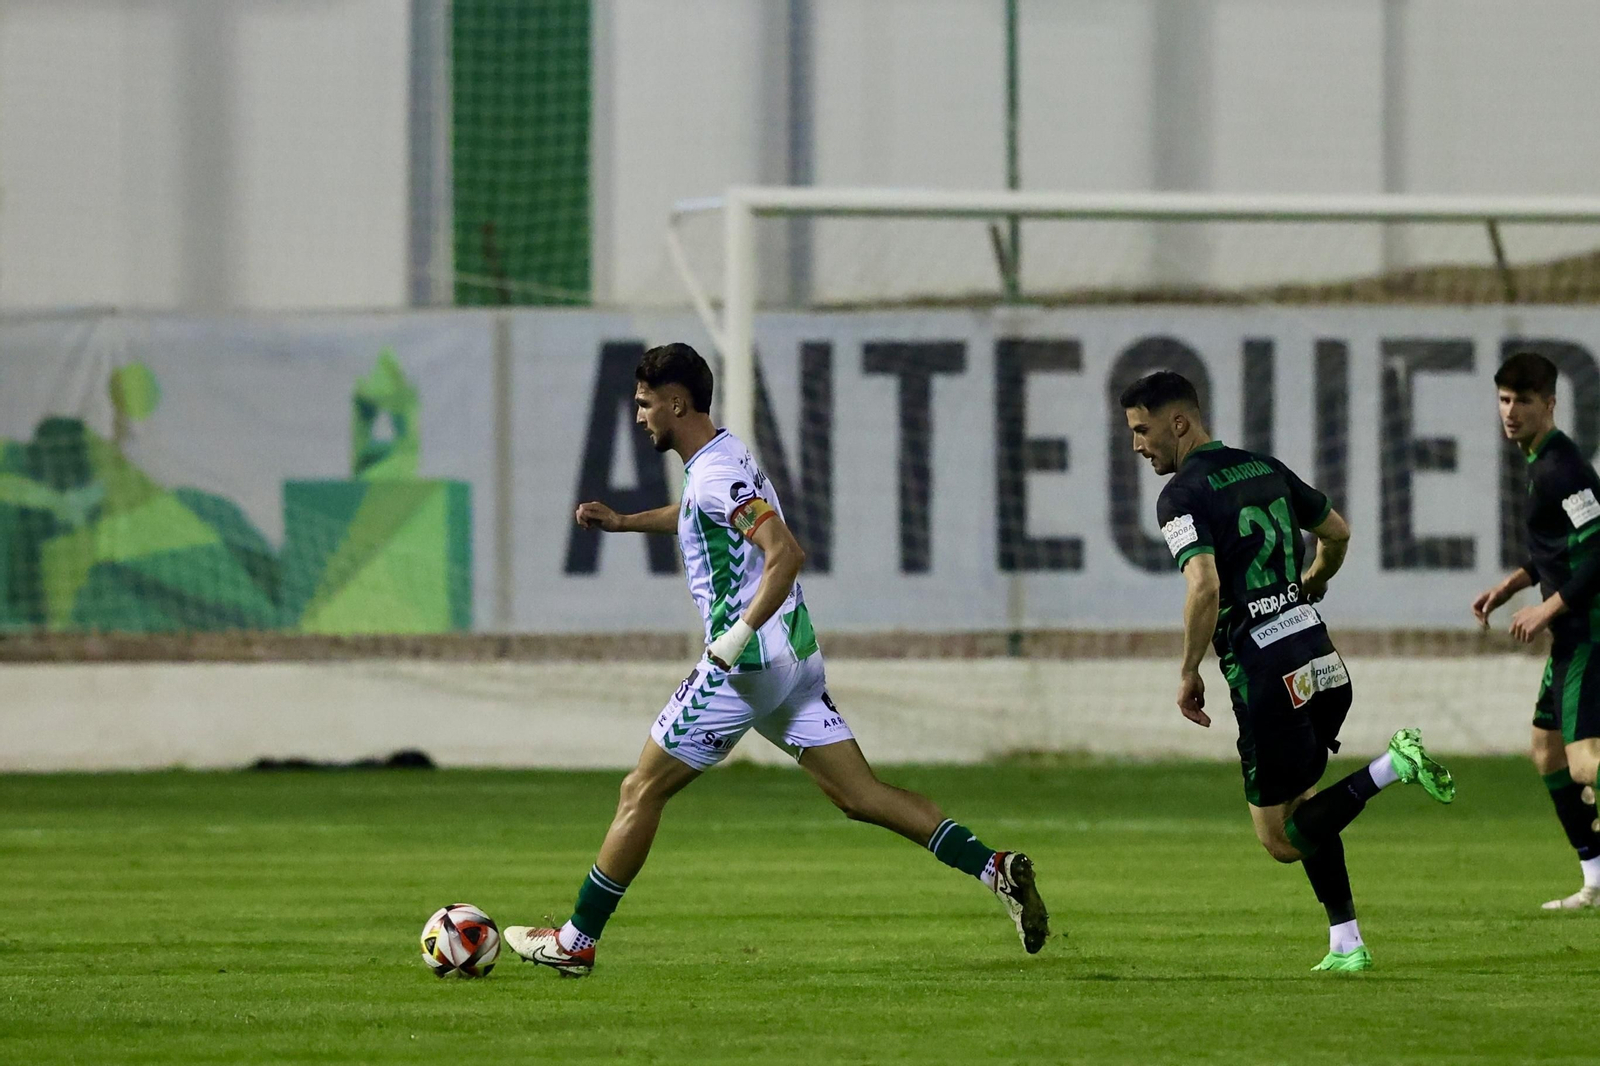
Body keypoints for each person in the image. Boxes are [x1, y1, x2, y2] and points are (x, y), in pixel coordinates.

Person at [504, 342, 1050, 976]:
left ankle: (576, 943)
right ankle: (993, 868)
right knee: (860, 794)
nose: (639, 417)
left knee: (639, 790)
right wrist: (626, 523)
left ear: (676, 403)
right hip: (794, 655)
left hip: (749, 664)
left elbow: (784, 552)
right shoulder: (723, 456)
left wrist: (736, 635)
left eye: (645, 404)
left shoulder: (713, 476)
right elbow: (697, 517)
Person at [1121, 370, 1454, 972]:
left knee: (1278, 840)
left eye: (1143, 431)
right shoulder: (1264, 468)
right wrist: (1314, 582)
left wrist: (1188, 671)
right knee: (1306, 803)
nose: (1138, 445)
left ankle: (1390, 766)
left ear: (1179, 423)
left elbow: (1204, 586)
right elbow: (1337, 532)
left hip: (1266, 675)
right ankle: (1347, 941)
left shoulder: (1181, 497)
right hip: (1321, 663)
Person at [1471, 351, 1600, 910]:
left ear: (1549, 404)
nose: (1510, 411)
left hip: (1587, 630)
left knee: (1583, 761)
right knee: (1546, 752)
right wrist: (1514, 584)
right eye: (1503, 400)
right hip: (1570, 630)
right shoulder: (1537, 461)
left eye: (1522, 401)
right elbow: (1556, 547)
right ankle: (1596, 880)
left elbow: (1599, 551)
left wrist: (1547, 609)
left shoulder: (1562, 467)